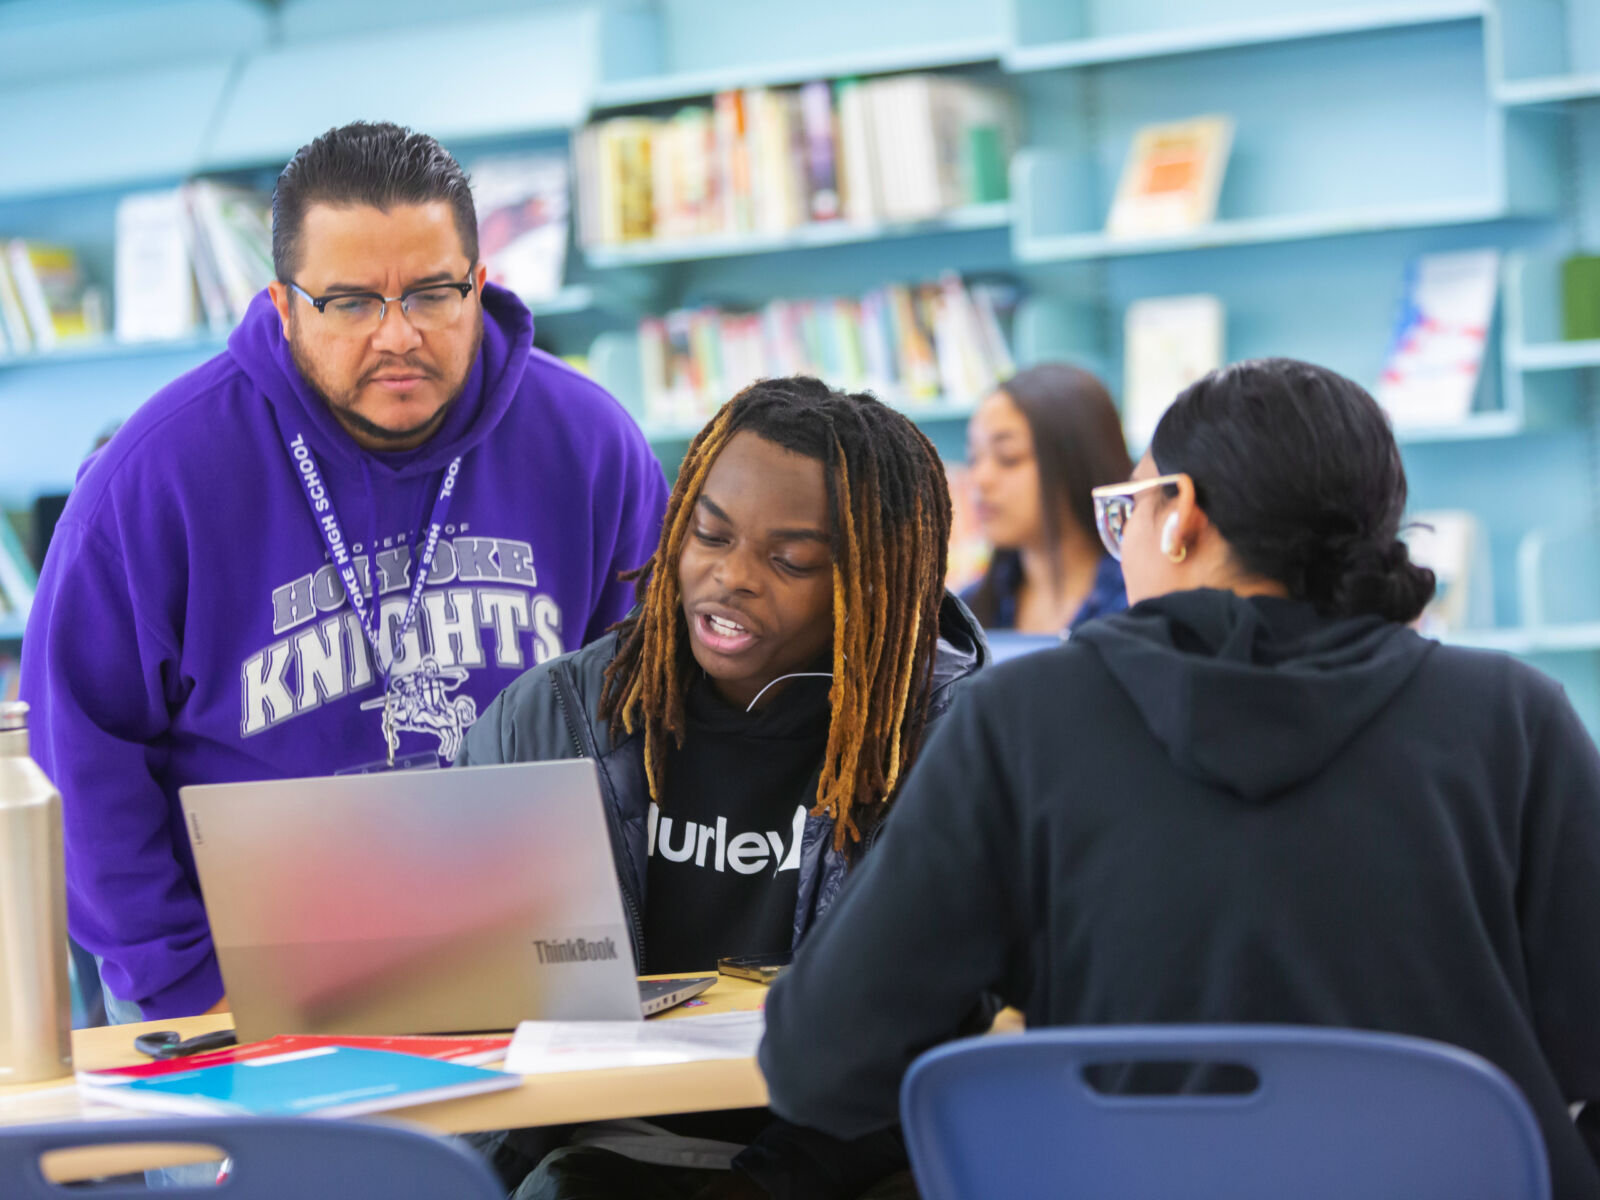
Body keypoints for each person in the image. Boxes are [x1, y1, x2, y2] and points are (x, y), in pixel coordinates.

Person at [757, 358, 1600, 1199]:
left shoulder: (1025, 718)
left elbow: (820, 1061)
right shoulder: (1511, 718)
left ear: (1182, 516)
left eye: (1127, 508)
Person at [20, 121, 669, 1024]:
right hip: (239, 991)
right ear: (285, 307)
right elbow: (79, 755)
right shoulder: (156, 477)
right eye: (352, 302)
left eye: (433, 293)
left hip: (537, 962)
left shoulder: (592, 447)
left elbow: (652, 707)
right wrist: (185, 986)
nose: (398, 334)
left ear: (481, 287)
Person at [459, 375, 988, 1200]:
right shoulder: (553, 713)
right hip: (597, 1146)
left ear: (876, 581)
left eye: (791, 560)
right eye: (710, 535)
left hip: (844, 1166)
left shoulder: (955, 739)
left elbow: (943, 1037)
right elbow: (460, 992)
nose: (731, 576)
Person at [962, 362, 1131, 634]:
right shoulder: (965, 615)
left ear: (1075, 461)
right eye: (973, 458)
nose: (979, 479)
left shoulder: (1137, 604)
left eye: (1008, 457)